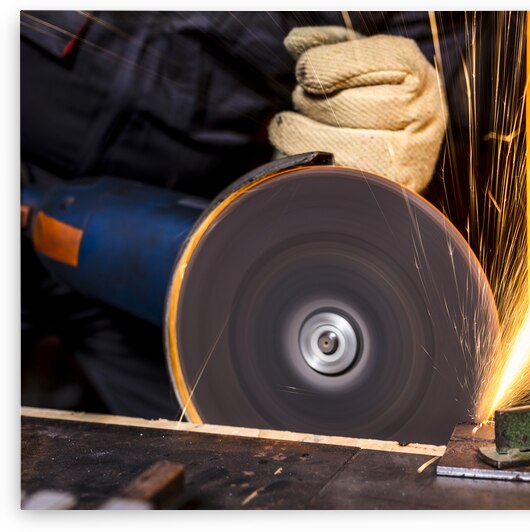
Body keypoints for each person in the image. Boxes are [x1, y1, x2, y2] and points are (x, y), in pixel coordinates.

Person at [21, 11, 499, 418]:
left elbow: (452, 66)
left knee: (223, 462)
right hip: (35, 188)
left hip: (200, 236)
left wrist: (406, 110)